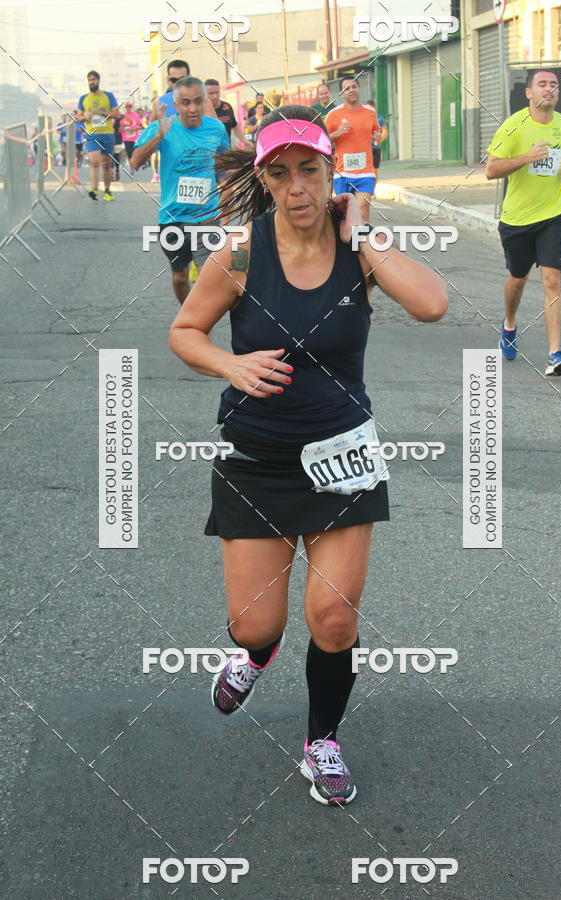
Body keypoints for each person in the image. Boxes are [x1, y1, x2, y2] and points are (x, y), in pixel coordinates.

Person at [167, 105, 447, 805]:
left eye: (310, 171)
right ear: (264, 179)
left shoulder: (360, 248)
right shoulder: (239, 253)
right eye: (281, 173)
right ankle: (256, 655)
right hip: (256, 458)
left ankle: (322, 741)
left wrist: (364, 235)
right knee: (255, 622)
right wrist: (229, 368)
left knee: (334, 618)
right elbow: (185, 331)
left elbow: (434, 304)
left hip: (342, 458)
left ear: (331, 174)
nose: (297, 188)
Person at [486, 69, 561, 376]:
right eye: (542, 84)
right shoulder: (513, 126)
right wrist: (526, 158)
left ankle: (555, 353)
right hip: (518, 218)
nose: (549, 89)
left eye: (553, 85)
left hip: (555, 212)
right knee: (518, 279)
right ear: (529, 93)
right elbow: (491, 170)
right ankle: (509, 324)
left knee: (552, 279)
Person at [130, 77, 229, 304]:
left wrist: (229, 194)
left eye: (197, 101)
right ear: (176, 104)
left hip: (207, 215)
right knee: (180, 276)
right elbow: (134, 163)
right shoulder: (162, 127)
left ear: (204, 101)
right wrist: (158, 136)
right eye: (185, 103)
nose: (192, 108)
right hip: (173, 216)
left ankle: (198, 326)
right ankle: (189, 315)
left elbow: (224, 164)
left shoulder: (216, 128)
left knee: (207, 275)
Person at [148, 60, 216, 183]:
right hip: (173, 167)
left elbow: (215, 132)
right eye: (174, 80)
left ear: (189, 78)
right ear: (168, 80)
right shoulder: (159, 103)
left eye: (182, 79)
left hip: (199, 162)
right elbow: (149, 134)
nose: (178, 84)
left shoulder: (202, 101)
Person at [324, 77, 381, 222]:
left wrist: (377, 137)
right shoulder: (333, 115)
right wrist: (337, 133)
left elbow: (376, 134)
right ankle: (348, 243)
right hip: (342, 172)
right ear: (342, 94)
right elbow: (322, 140)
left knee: (363, 208)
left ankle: (362, 243)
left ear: (359, 89)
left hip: (365, 172)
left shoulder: (370, 112)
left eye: (354, 86)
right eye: (347, 88)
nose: (351, 90)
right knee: (345, 214)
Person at [77, 70, 118, 201]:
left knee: (106, 164)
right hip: (92, 134)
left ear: (98, 81)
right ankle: (94, 190)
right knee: (94, 162)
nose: (92, 82)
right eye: (89, 80)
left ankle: (107, 190)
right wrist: (85, 116)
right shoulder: (83, 98)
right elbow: (78, 117)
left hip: (107, 133)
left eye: (94, 79)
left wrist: (101, 113)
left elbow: (117, 114)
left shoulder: (108, 96)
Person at [204, 78, 253, 149]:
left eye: (217, 92)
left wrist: (244, 141)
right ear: (204, 93)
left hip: (225, 151)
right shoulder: (200, 110)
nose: (215, 96)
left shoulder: (227, 107)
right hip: (207, 152)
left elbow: (235, 126)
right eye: (211, 93)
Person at [367, 99, 388, 182]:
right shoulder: (363, 118)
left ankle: (373, 189)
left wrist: (380, 139)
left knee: (375, 169)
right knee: (366, 170)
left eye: (372, 108)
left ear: (375, 108)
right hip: (365, 148)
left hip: (375, 148)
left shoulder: (379, 118)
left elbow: (385, 132)